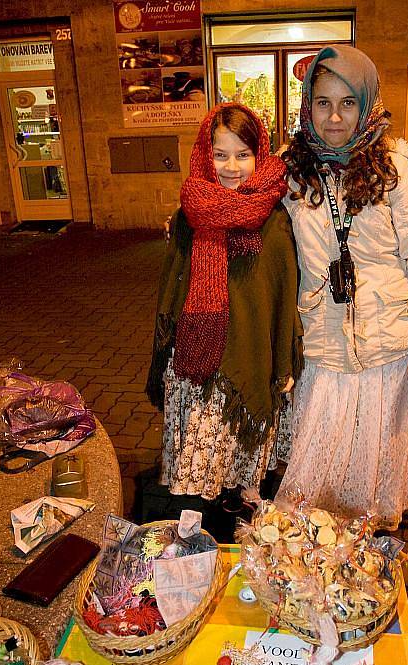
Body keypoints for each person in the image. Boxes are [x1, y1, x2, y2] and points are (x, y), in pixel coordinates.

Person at [277, 45, 408, 530]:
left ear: (368, 103)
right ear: (307, 106)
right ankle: (314, 544)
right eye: (323, 102)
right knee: (321, 446)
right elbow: (242, 205)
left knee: (375, 448)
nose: (334, 116)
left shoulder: (395, 169)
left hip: (389, 341)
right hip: (322, 340)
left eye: (347, 103)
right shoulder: (292, 171)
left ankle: (365, 539)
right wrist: (187, 226)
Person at [146, 103, 303, 528]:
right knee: (198, 468)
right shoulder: (188, 215)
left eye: (243, 154)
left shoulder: (274, 218)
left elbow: (282, 295)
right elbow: (171, 290)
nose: (232, 166)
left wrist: (284, 360)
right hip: (199, 366)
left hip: (251, 357)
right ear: (204, 154)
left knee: (240, 458)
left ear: (260, 154)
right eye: (220, 154)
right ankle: (198, 537)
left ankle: (237, 512)